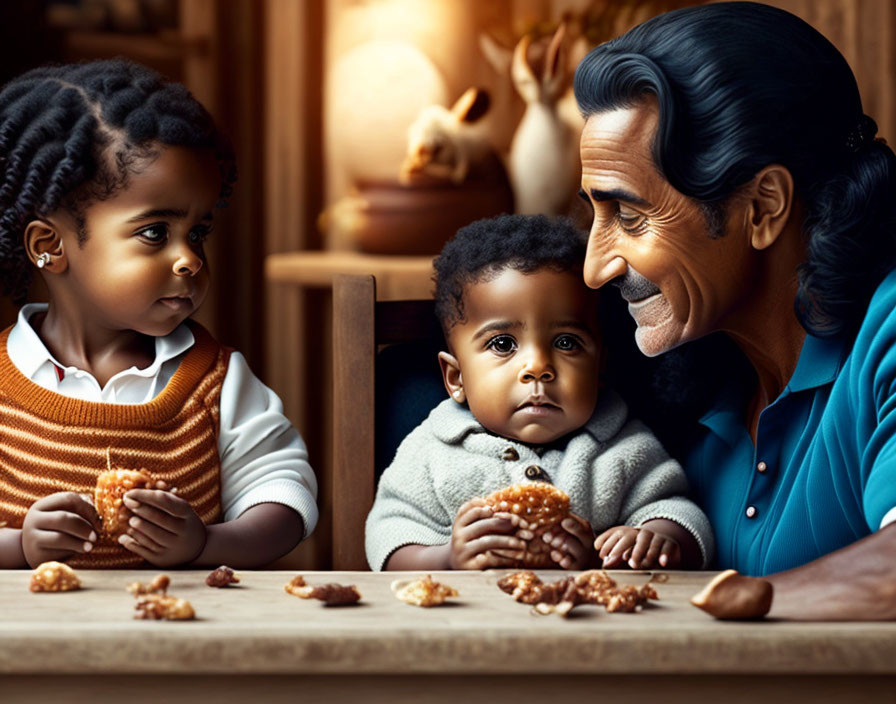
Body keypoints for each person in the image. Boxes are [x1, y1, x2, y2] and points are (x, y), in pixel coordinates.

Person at [573, 1, 896, 619]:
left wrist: (745, 604)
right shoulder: (705, 374)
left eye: (632, 216)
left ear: (764, 207)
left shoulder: (887, 329)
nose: (596, 268)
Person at [0, 60, 318, 569]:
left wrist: (206, 546)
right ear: (50, 245)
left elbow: (285, 498)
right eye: (154, 233)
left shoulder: (213, 381)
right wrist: (17, 547)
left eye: (197, 234)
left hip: (184, 639)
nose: (190, 259)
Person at [365, 214, 713, 571]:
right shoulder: (432, 454)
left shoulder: (623, 448)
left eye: (566, 342)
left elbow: (679, 513)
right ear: (456, 378)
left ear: (599, 368)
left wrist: (647, 541)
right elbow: (388, 536)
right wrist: (447, 558)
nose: (538, 367)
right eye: (503, 344)